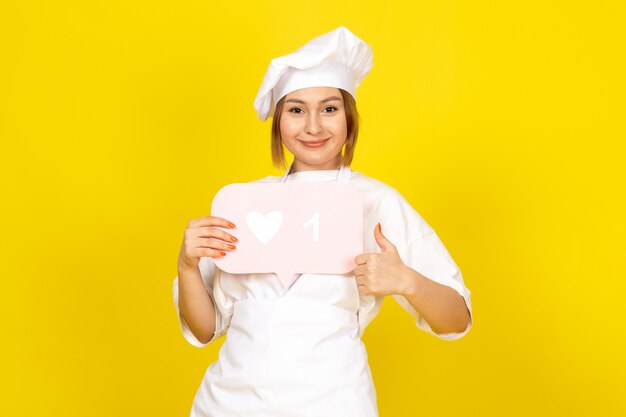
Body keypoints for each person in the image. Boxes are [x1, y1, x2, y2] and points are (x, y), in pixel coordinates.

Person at [173, 26, 473, 417]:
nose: (313, 127)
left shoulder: (376, 202)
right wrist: (187, 266)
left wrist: (406, 280)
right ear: (279, 122)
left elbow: (457, 320)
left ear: (348, 118)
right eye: (296, 110)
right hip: (229, 405)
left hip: (334, 403)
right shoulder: (243, 203)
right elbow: (204, 329)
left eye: (329, 109)